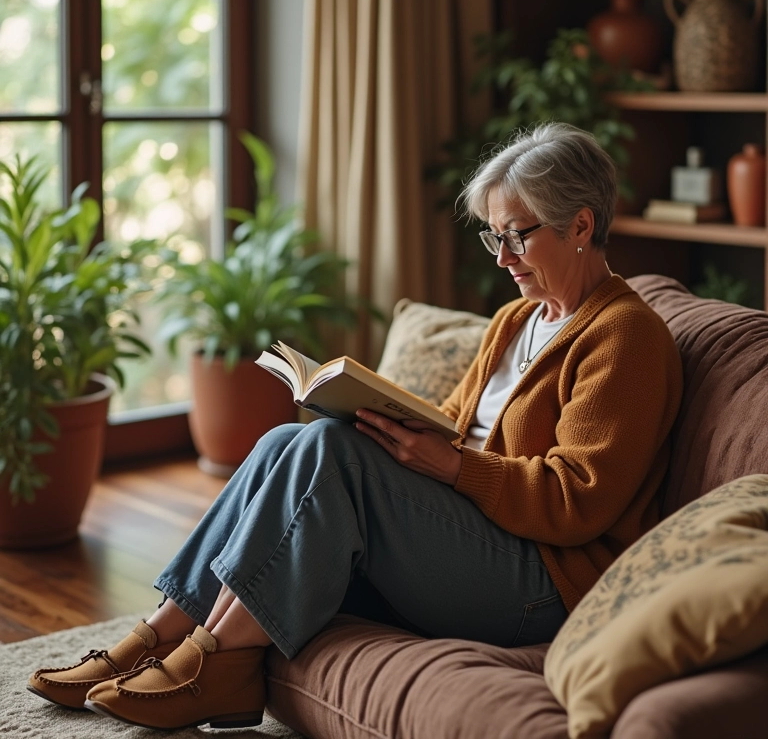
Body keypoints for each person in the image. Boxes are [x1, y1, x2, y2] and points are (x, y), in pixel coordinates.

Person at [27, 122, 683, 730]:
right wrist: (390, 422)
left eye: (518, 234)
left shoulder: (626, 336)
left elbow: (577, 501)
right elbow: (456, 425)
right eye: (494, 235)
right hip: (477, 536)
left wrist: (449, 466)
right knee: (288, 439)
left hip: (542, 583)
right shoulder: (519, 319)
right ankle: (159, 636)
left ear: (580, 225)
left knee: (331, 452)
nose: (503, 257)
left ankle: (214, 662)